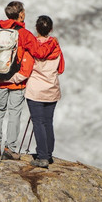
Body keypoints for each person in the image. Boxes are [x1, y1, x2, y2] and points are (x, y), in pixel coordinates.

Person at [0, 1, 58, 160]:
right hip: (17, 82)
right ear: (21, 14)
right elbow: (39, 52)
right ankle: (10, 148)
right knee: (14, 113)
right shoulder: (23, 34)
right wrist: (53, 43)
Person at [25, 15, 64, 169]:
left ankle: (42, 157)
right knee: (48, 122)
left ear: (36, 28)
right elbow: (61, 68)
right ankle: (48, 154)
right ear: (51, 29)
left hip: (35, 89)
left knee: (38, 122)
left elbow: (27, 67)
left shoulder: (32, 46)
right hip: (51, 89)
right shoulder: (56, 47)